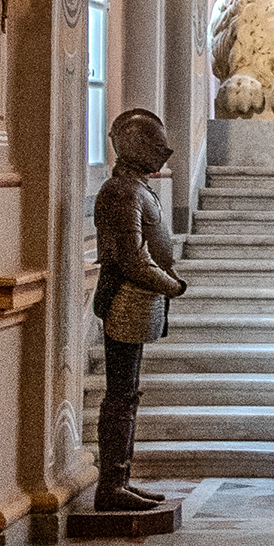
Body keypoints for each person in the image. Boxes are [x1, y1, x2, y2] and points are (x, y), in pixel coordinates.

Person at [89, 104, 186, 514]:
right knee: (120, 395)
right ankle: (111, 484)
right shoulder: (120, 192)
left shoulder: (134, 188)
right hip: (127, 295)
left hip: (140, 299)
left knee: (127, 395)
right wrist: (173, 285)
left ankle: (121, 477)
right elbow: (131, 259)